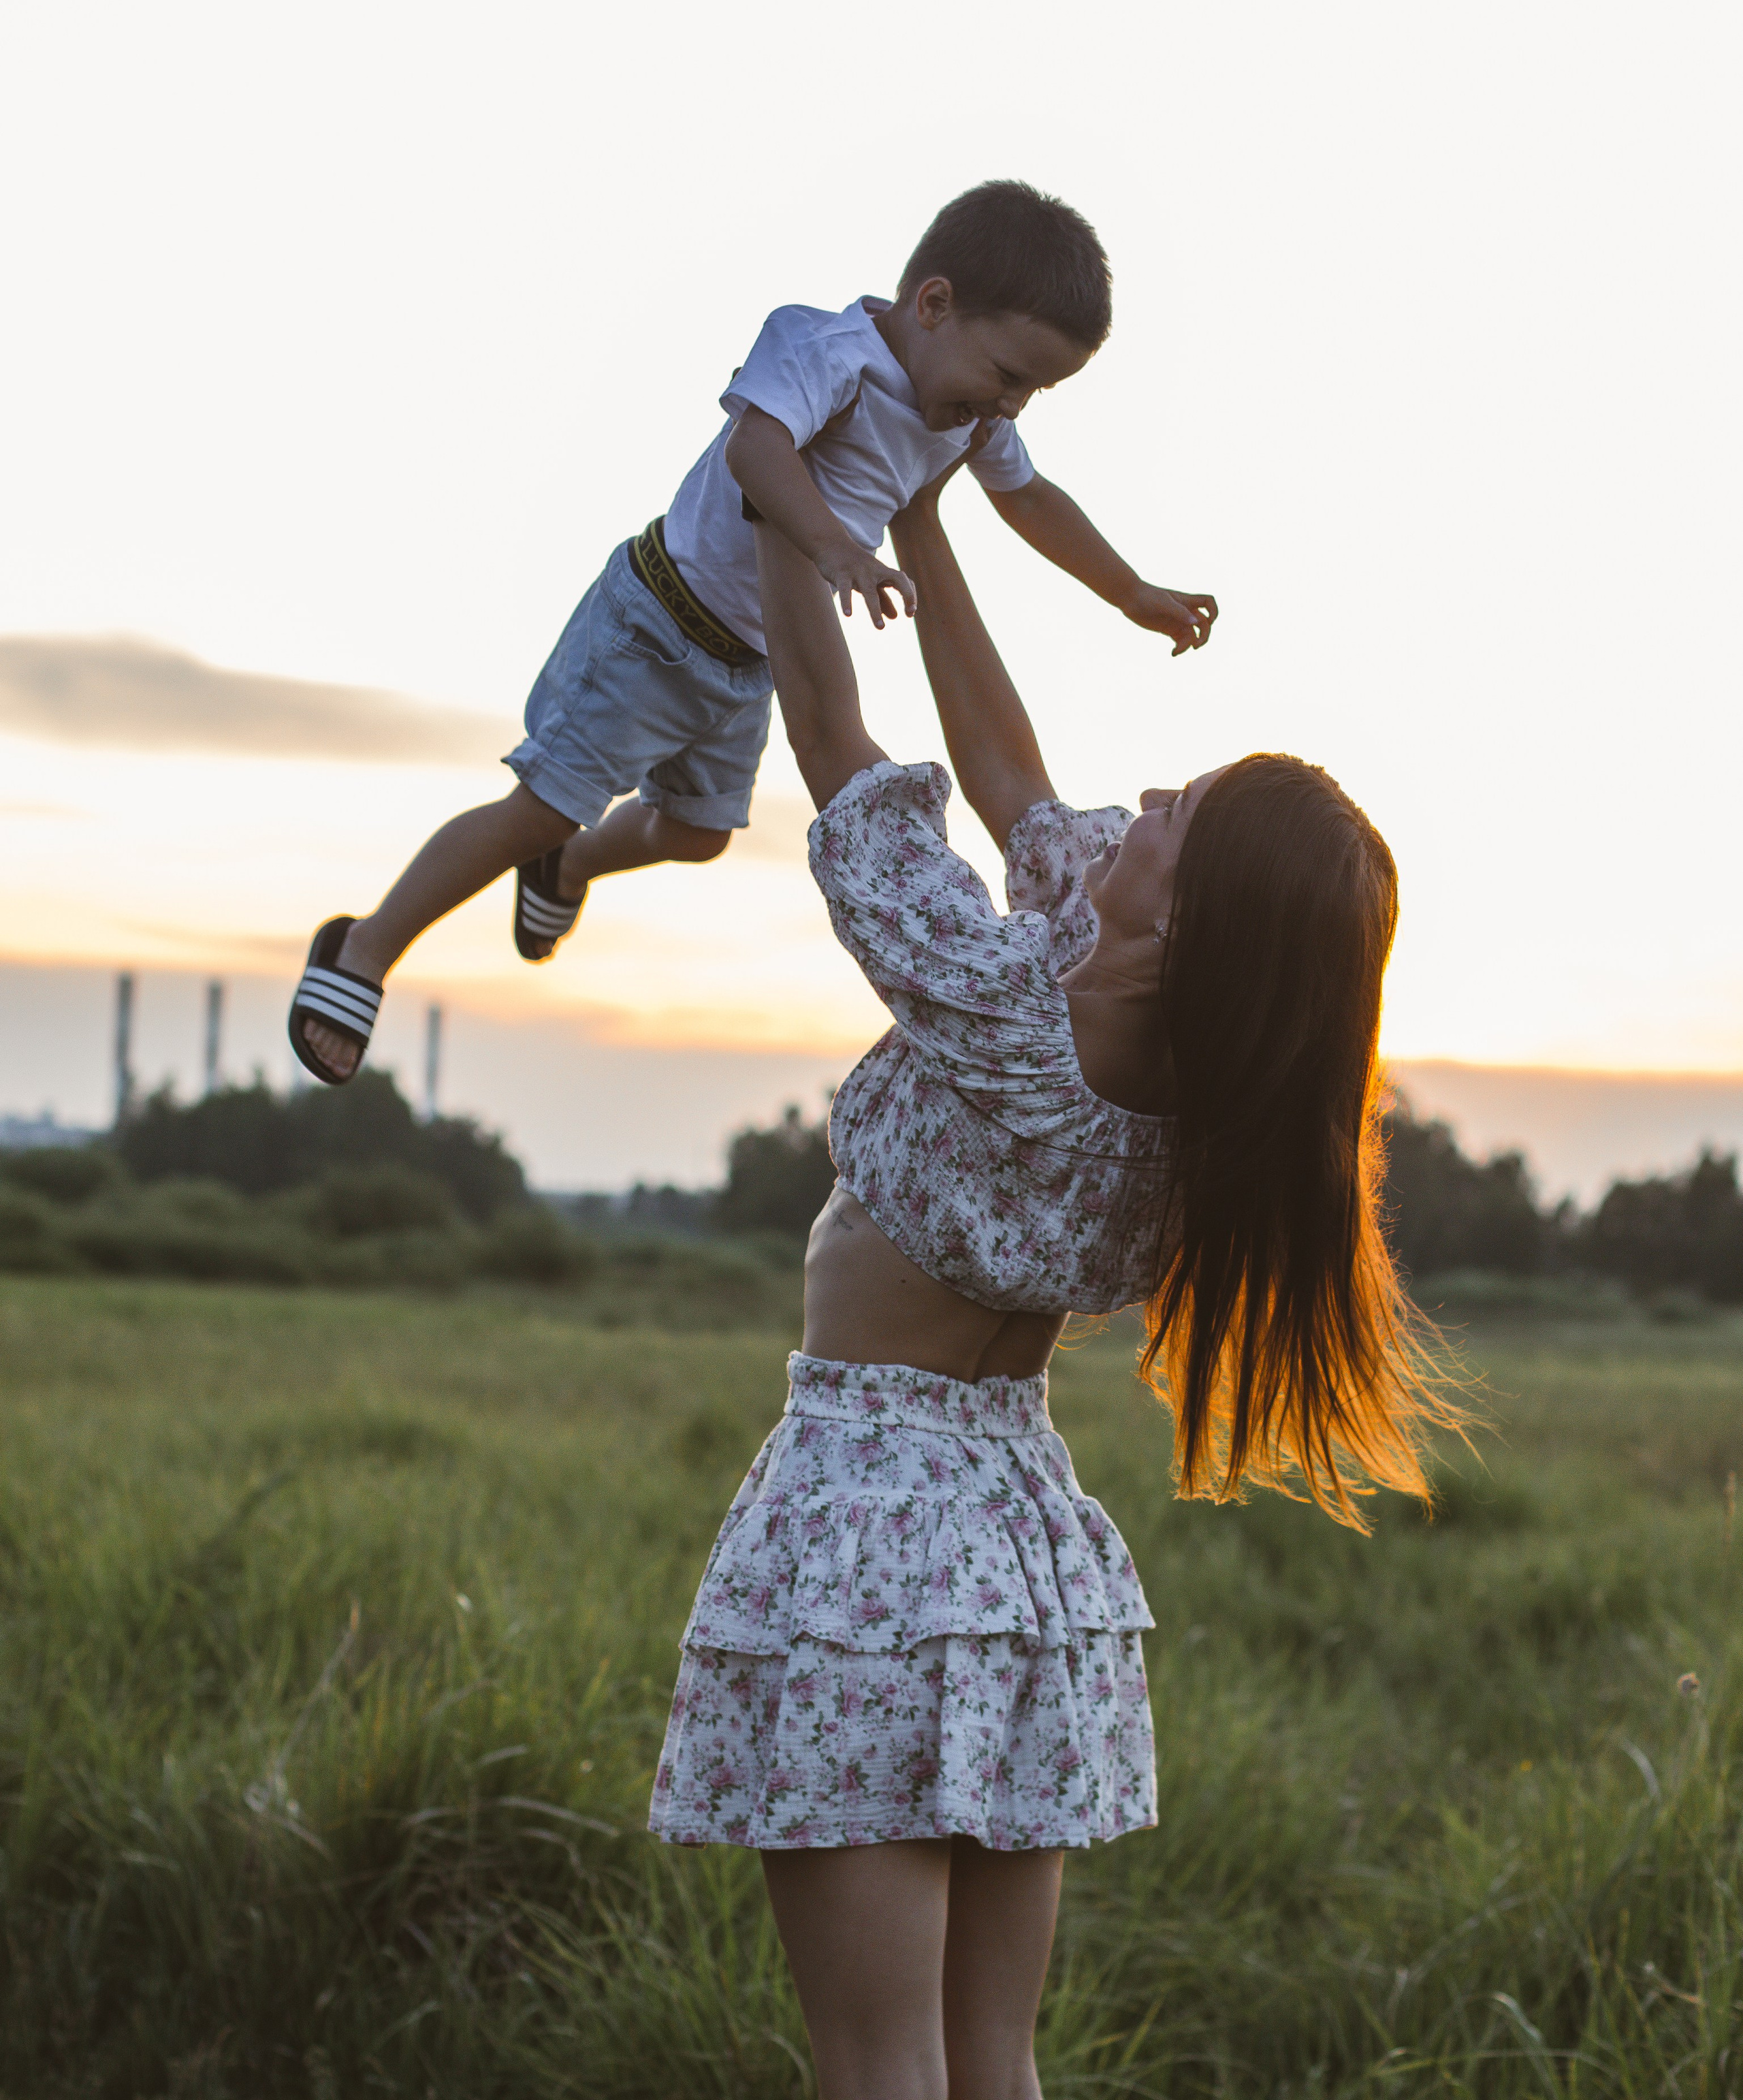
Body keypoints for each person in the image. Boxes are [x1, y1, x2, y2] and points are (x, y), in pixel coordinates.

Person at [647, 459, 1458, 2100]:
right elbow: (1014, 780)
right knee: (988, 2064)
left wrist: (788, 505)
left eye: (1177, 815)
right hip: (1017, 1545)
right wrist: (923, 519)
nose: (1139, 799)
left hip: (871, 1520)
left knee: (875, 2066)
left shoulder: (1014, 1008)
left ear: (1195, 918)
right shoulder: (1195, 1101)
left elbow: (835, 747)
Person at [286, 180, 1219, 1085]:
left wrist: (1130, 590)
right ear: (933, 304)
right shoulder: (827, 349)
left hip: (747, 666)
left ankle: (565, 866)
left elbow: (1033, 500)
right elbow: (756, 450)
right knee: (543, 796)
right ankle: (363, 948)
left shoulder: (964, 419)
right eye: (1008, 375)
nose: (1009, 406)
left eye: (1034, 393)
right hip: (655, 624)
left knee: (696, 834)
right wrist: (835, 549)